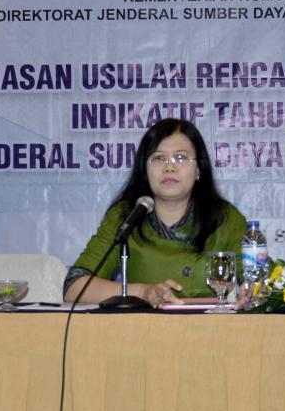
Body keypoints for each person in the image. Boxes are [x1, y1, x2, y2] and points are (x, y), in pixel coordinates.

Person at [64, 118, 247, 307]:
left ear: (198, 169)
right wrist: (142, 292)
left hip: (211, 325)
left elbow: (258, 282)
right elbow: (73, 287)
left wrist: (250, 291)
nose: (169, 167)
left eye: (181, 158)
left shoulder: (225, 218)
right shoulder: (126, 217)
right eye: (159, 158)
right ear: (145, 169)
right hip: (142, 325)